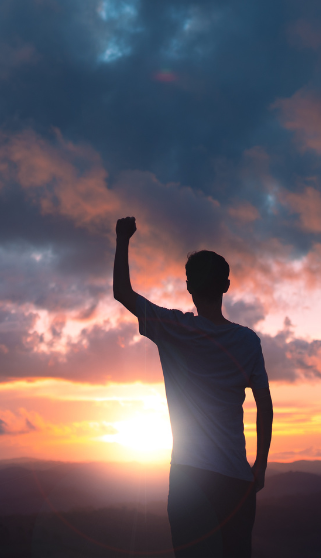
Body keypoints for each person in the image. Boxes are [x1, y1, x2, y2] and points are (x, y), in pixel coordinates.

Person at [112, 216, 273, 558]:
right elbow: (265, 405)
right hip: (236, 479)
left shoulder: (174, 328)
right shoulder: (248, 342)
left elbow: (122, 292)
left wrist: (123, 237)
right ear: (226, 286)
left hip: (190, 479)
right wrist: (260, 464)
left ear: (189, 287)